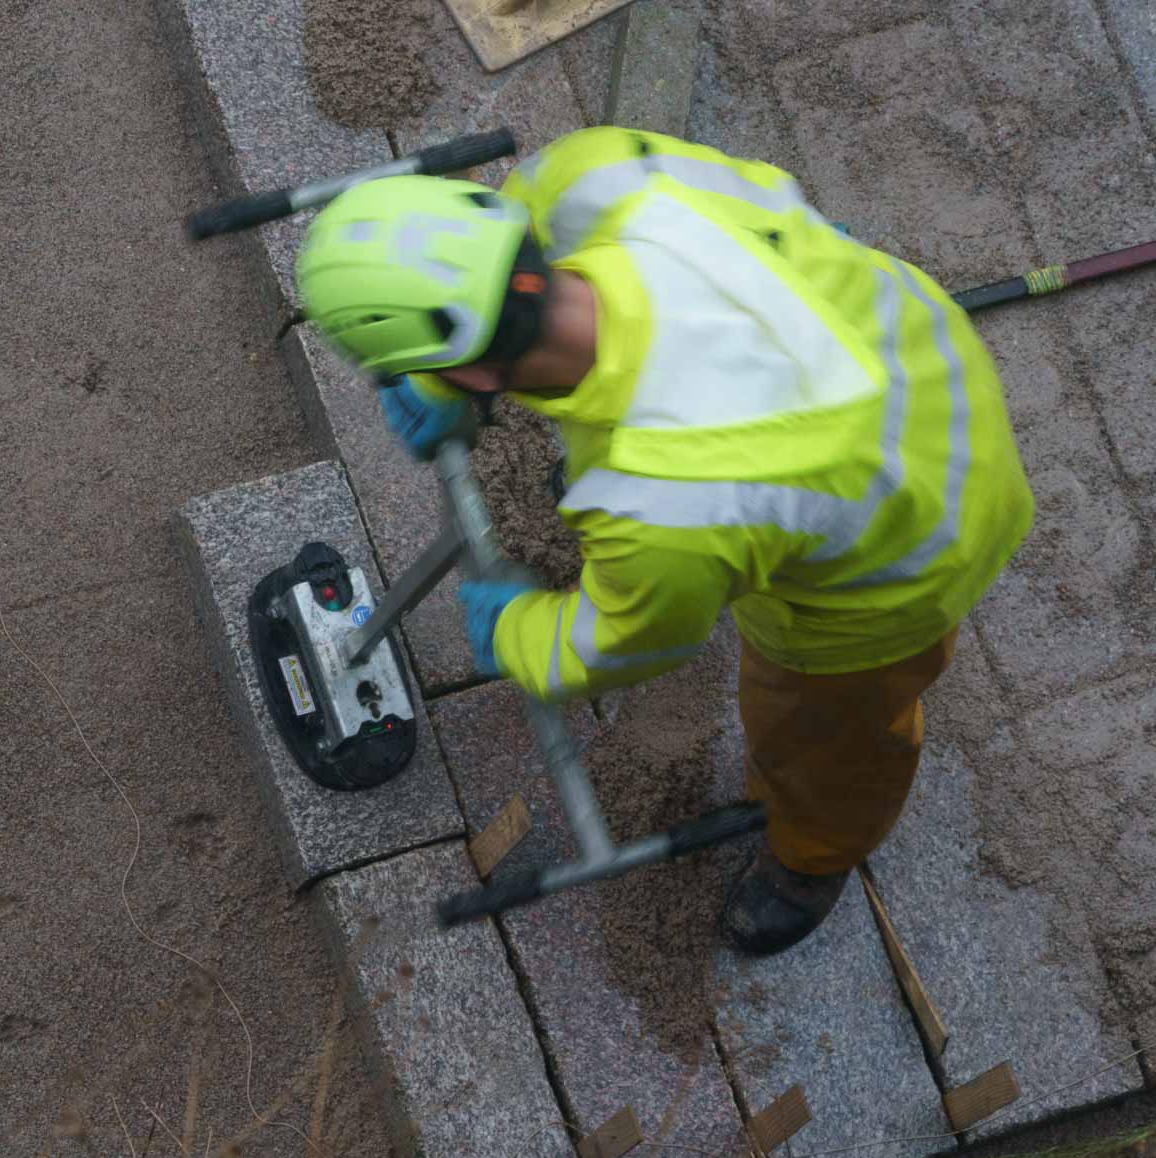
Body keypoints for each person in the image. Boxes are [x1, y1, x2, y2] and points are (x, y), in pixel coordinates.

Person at [293, 127, 1034, 953]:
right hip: (919, 351)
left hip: (920, 543)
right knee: (662, 500)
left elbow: (629, 639)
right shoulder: (597, 172)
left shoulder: (665, 506)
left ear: (469, 372)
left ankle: (814, 853)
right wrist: (449, 375)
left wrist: (518, 632)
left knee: (819, 731)